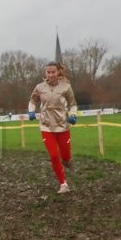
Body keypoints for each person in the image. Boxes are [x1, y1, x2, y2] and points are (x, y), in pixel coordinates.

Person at [28, 62, 77, 194]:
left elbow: (73, 104)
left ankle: (67, 160)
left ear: (57, 72)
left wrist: (73, 115)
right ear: (45, 73)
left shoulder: (66, 87)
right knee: (54, 155)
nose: (51, 75)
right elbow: (33, 101)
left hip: (62, 125)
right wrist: (31, 111)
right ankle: (63, 184)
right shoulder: (39, 87)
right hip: (46, 126)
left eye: (53, 72)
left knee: (65, 157)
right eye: (48, 72)